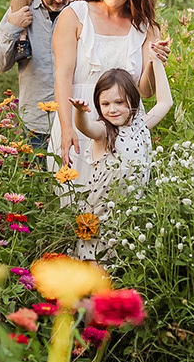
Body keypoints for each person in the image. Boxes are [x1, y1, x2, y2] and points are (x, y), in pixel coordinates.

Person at [52, 0, 169, 180]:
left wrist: (155, 62)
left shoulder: (146, 28)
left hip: (126, 130)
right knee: (73, 199)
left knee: (122, 203)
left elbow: (145, 91)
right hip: (78, 119)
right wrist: (66, 128)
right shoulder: (75, 15)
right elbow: (62, 77)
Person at [69, 62, 172, 260]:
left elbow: (165, 103)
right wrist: (80, 112)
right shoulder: (105, 131)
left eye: (119, 102)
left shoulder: (141, 126)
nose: (112, 110)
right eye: (105, 104)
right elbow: (85, 128)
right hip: (100, 216)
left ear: (132, 101)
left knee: (122, 266)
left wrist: (156, 61)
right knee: (96, 265)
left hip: (128, 216)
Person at [0, 0, 79, 151]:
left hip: (76, 122)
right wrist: (13, 27)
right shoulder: (20, 10)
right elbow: (1, 64)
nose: (59, 0)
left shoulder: (81, 12)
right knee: (33, 178)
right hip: (36, 123)